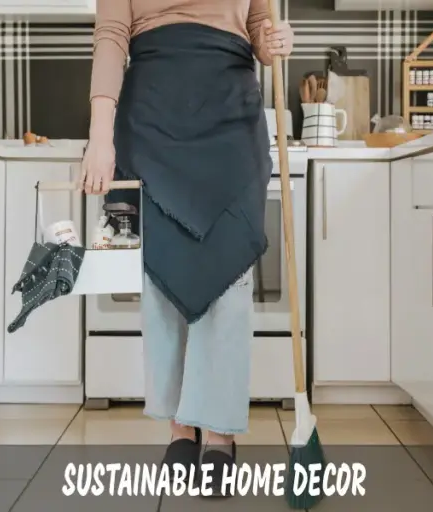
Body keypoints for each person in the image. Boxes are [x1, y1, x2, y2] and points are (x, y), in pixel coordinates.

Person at [82, 0, 294, 496]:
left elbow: (259, 23)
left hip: (230, 112)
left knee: (229, 273)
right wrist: (100, 137)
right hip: (151, 112)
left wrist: (270, 42)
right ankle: (180, 426)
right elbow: (112, 35)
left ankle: (218, 431)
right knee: (160, 273)